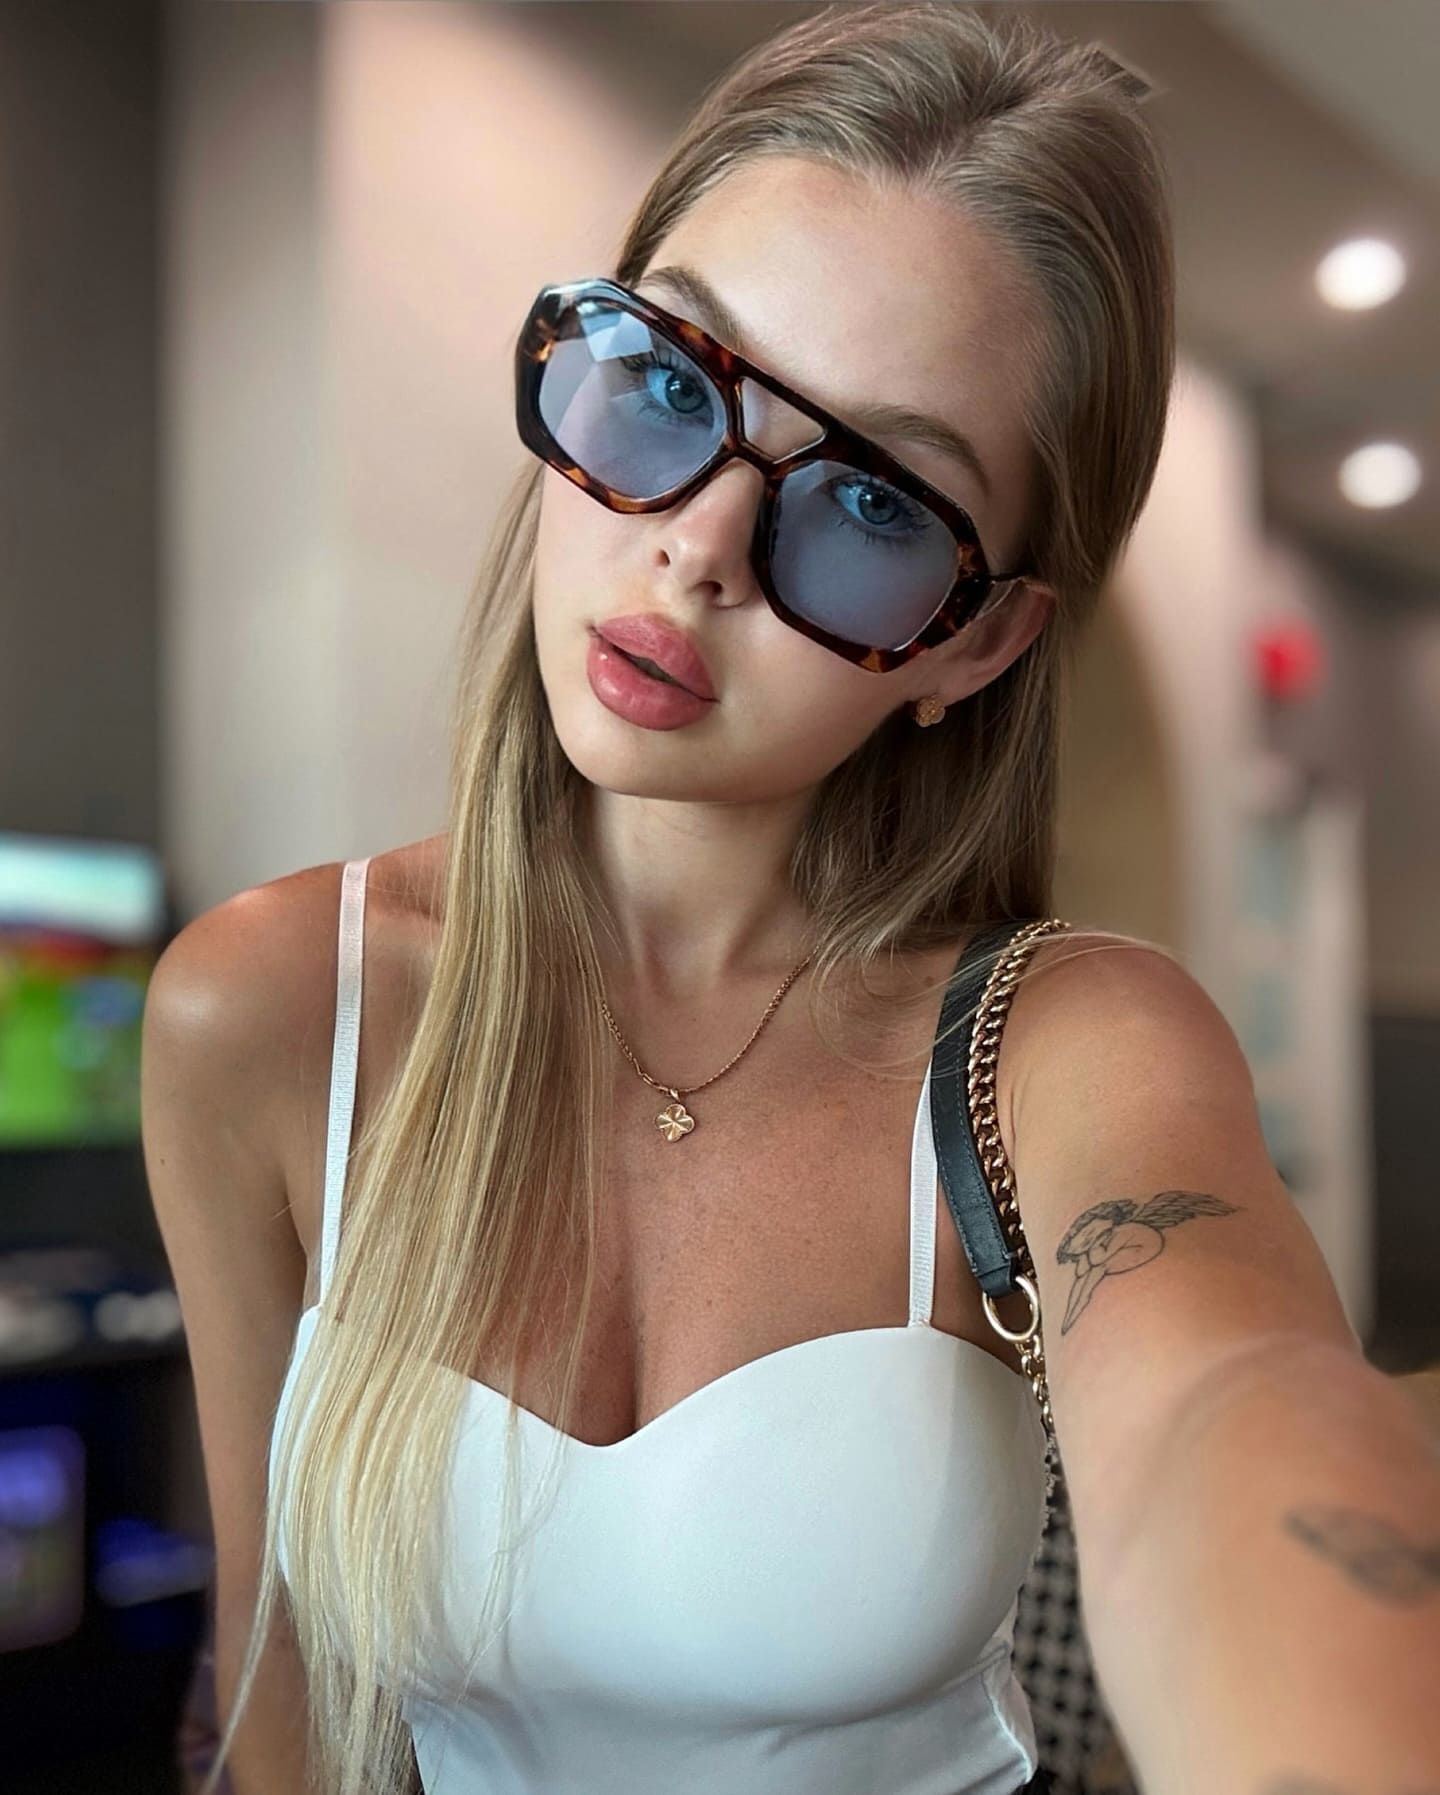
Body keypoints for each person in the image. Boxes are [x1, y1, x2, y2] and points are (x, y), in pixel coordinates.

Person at [142, 5, 1440, 1794]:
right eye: (675, 383)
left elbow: (1231, 1396)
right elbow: (276, 1691)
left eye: (874, 504)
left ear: (976, 643)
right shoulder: (272, 1008)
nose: (701, 546)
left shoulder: (1062, 1048)